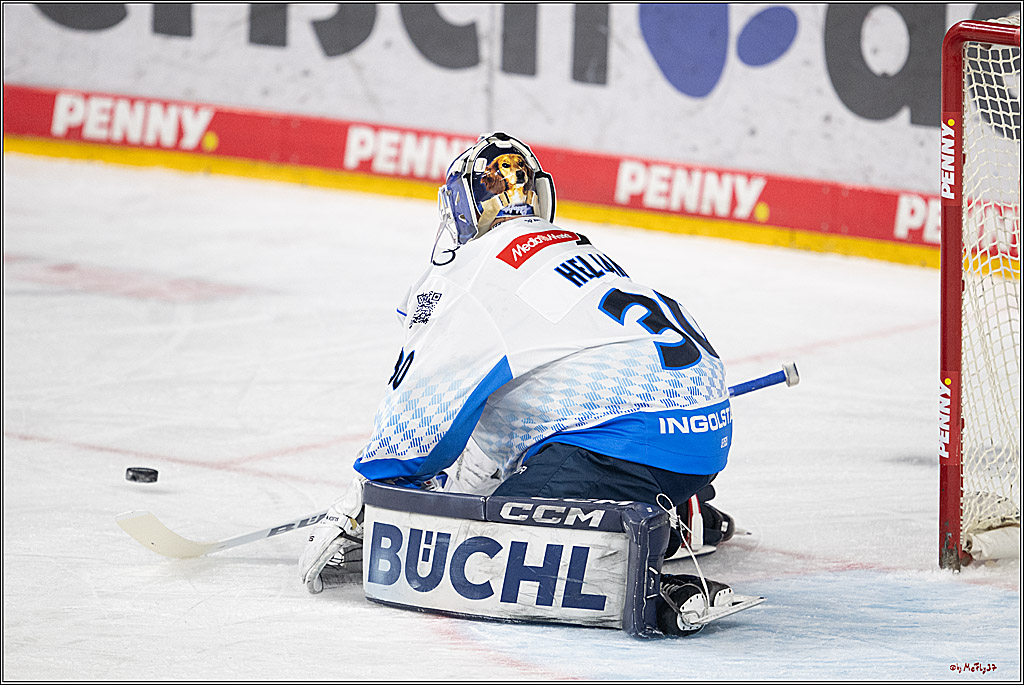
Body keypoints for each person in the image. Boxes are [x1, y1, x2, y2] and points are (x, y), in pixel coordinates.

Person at [300, 132, 735, 596]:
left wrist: (365, 505)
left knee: (477, 551)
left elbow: (420, 419)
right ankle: (678, 509)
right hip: (705, 440)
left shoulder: (468, 276)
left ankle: (635, 547)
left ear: (461, 209)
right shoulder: (577, 250)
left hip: (620, 447)